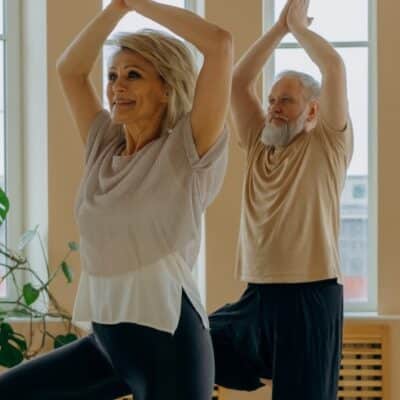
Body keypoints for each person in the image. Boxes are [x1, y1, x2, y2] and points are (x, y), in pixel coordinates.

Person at [0, 0, 233, 399]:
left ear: (165, 88)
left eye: (134, 75)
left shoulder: (186, 150)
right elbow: (69, 70)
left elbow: (221, 44)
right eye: (112, 75)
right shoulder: (103, 145)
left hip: (171, 347)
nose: (116, 86)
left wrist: (138, 3)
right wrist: (115, 9)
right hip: (108, 344)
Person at [209, 0, 353, 399]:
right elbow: (238, 82)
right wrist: (279, 29)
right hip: (259, 294)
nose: (273, 107)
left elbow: (334, 69)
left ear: (312, 110)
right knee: (191, 347)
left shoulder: (327, 144)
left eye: (285, 101)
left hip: (310, 296)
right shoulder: (258, 144)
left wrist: (300, 28)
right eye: (272, 99)